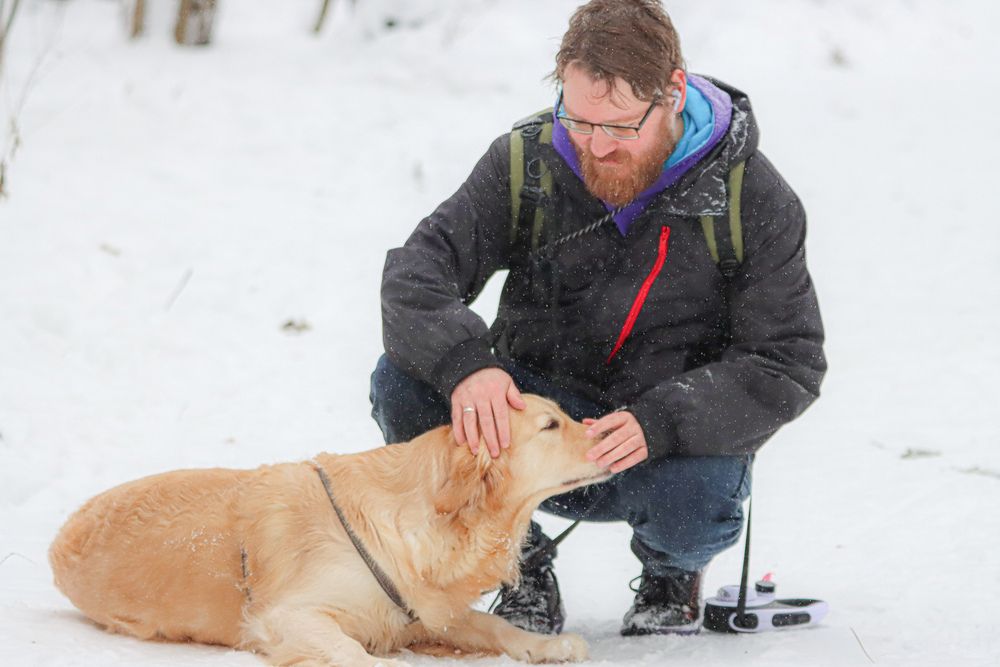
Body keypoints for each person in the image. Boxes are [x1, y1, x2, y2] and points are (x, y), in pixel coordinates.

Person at [370, 0, 826, 637]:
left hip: (661, 435)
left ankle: (670, 573)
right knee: (402, 381)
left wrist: (663, 421)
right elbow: (416, 272)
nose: (595, 146)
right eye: (578, 120)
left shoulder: (752, 198)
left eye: (618, 127)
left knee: (697, 496)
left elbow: (788, 359)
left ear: (672, 92)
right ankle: (516, 566)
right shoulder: (525, 162)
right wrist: (467, 367)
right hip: (534, 418)